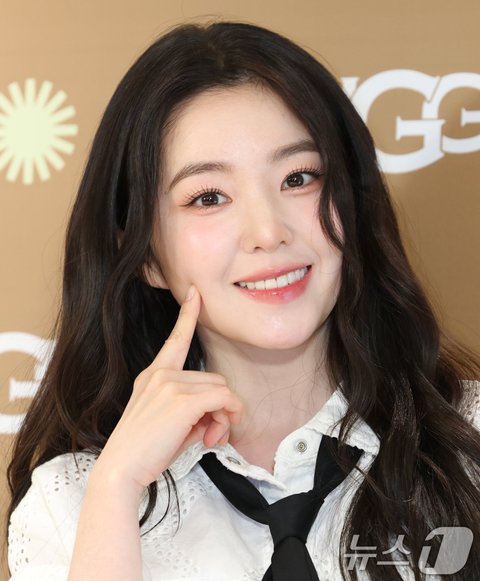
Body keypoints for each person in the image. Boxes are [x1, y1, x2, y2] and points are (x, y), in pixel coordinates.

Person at [6, 21, 480, 581]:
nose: (268, 232)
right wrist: (116, 491)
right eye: (209, 197)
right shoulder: (74, 501)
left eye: (299, 178)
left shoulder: (469, 440)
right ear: (145, 254)